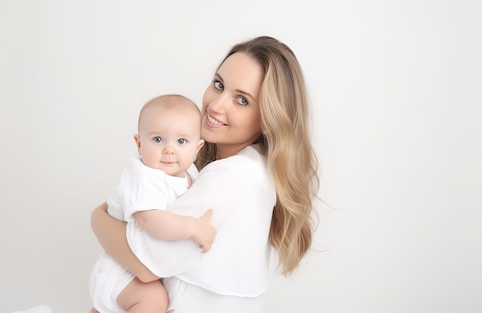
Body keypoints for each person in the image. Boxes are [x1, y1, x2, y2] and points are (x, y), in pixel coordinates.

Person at [91, 35, 319, 313]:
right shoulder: (244, 167)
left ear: (269, 117)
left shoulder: (236, 175)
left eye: (242, 100)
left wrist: (97, 218)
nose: (216, 105)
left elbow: (146, 261)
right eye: (219, 85)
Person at [89, 94, 216, 313]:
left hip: (134, 267)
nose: (169, 149)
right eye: (158, 140)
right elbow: (149, 218)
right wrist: (192, 227)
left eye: (181, 141)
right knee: (154, 300)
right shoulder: (144, 176)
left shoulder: (189, 173)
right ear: (138, 143)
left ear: (197, 147)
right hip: (120, 270)